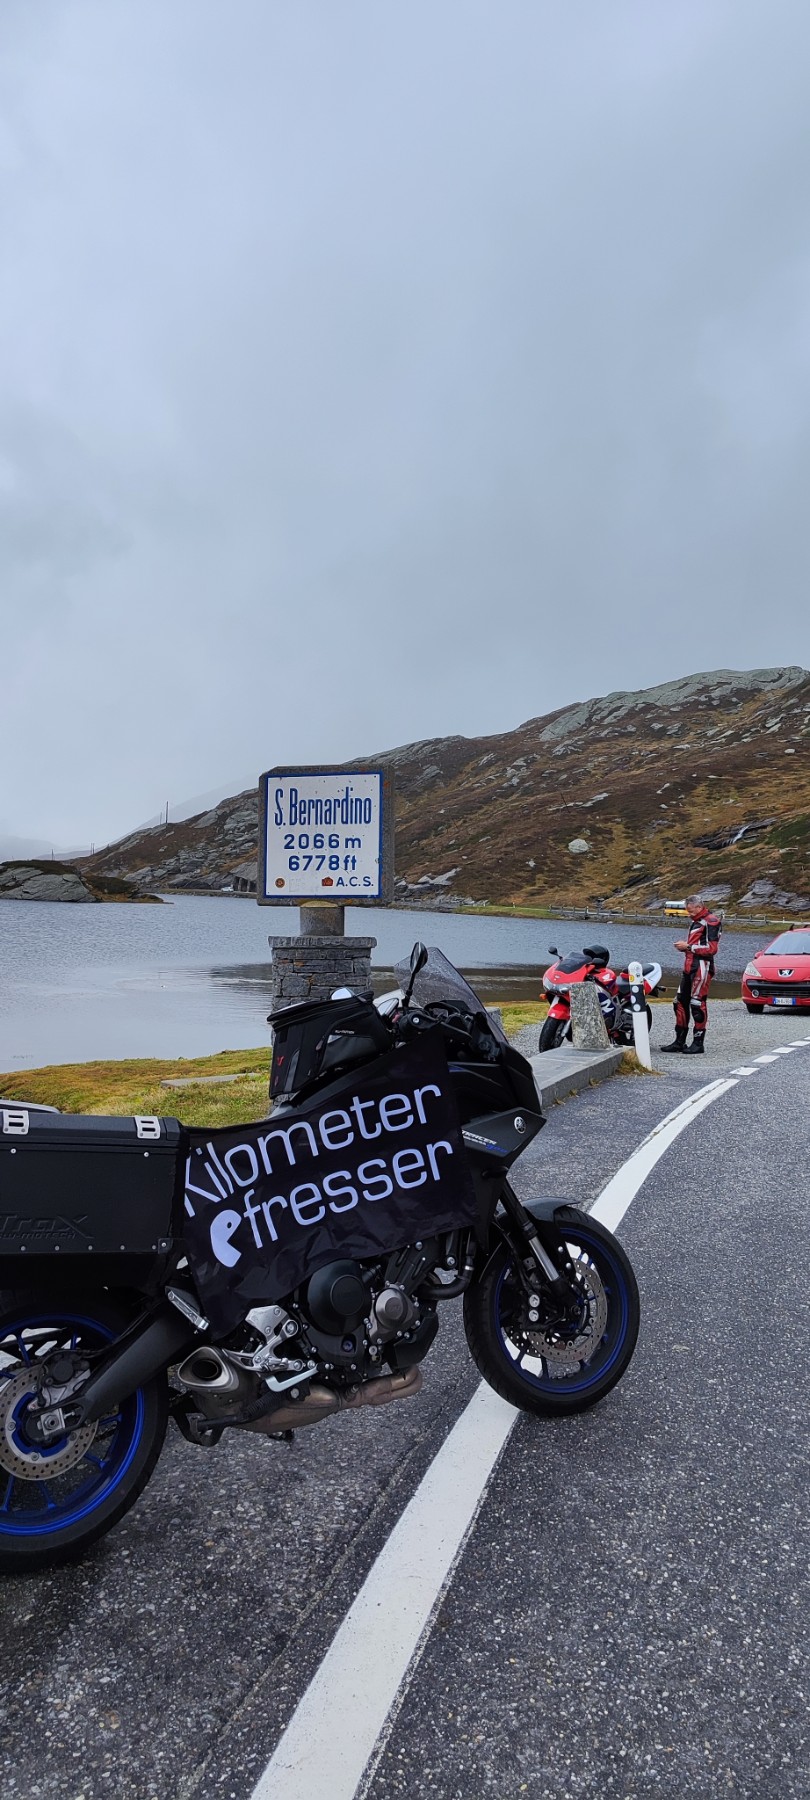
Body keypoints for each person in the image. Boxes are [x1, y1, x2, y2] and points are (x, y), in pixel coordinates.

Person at [661, 893, 721, 1055]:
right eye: (688, 911)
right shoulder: (696, 921)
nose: (689, 914)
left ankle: (698, 1043)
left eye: (691, 911)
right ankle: (679, 1042)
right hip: (689, 965)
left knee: (697, 1003)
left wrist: (688, 947)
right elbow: (697, 945)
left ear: (699, 907)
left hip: (702, 966)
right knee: (679, 1002)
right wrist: (687, 948)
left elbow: (712, 949)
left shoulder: (711, 921)